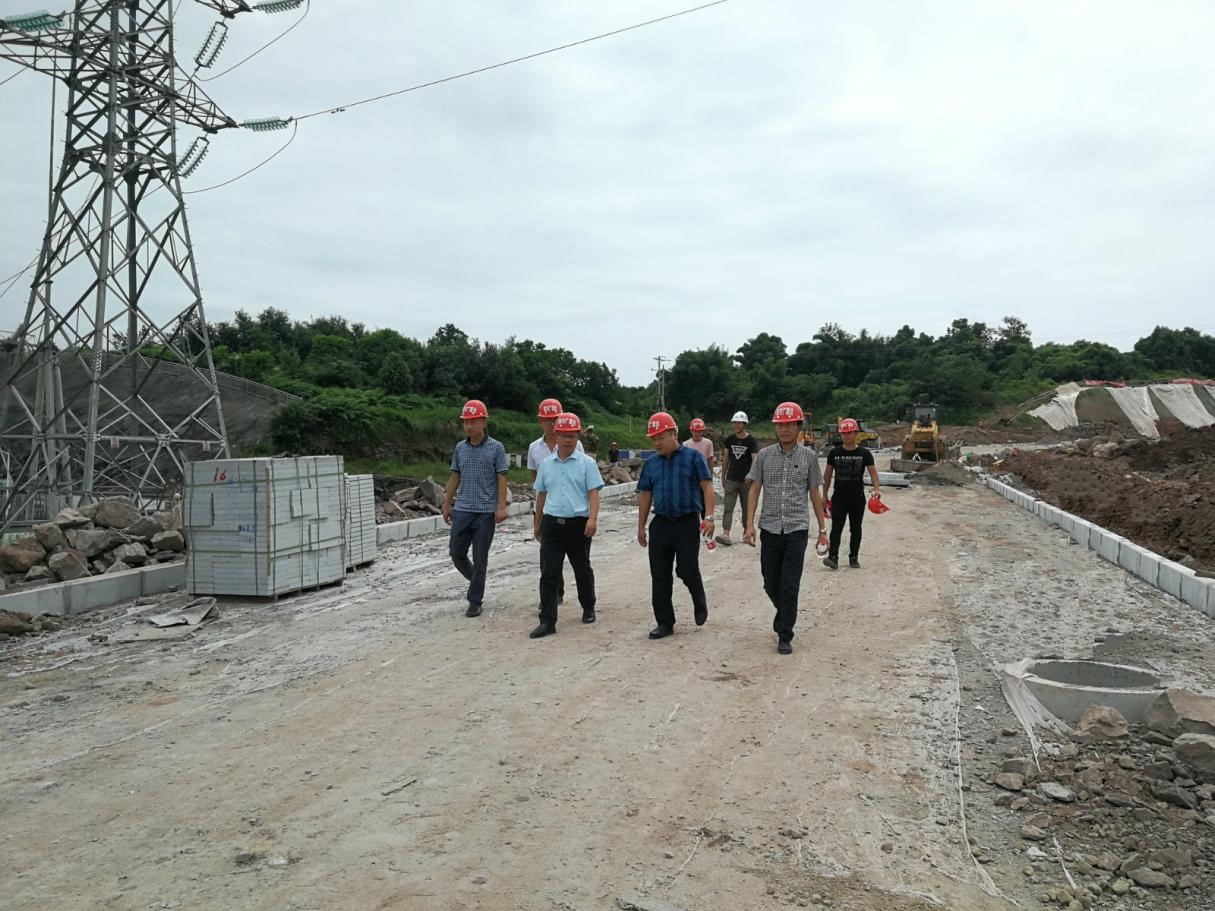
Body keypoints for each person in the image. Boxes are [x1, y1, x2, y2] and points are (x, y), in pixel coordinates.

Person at [743, 401, 828, 655]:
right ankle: (784, 613)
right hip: (770, 528)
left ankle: (785, 634)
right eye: (780, 425)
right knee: (770, 582)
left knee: (790, 585)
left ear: (799, 426)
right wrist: (749, 524)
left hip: (796, 529)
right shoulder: (764, 456)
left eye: (790, 424)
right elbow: (754, 490)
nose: (785, 429)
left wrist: (822, 529)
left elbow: (815, 493)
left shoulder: (809, 457)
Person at [636, 411, 714, 639]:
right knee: (660, 576)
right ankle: (665, 622)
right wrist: (641, 526)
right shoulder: (651, 463)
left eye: (661, 437)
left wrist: (709, 517)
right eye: (653, 439)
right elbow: (645, 494)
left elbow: (707, 487)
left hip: (687, 523)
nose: (657, 443)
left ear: (674, 434)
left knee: (686, 569)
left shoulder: (693, 458)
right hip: (660, 524)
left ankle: (699, 598)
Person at [530, 412, 603, 638]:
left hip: (578, 525)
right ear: (557, 434)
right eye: (564, 435)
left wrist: (592, 519)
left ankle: (588, 606)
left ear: (578, 436)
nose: (568, 440)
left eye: (572, 436)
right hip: (552, 524)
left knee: (581, 568)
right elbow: (541, 494)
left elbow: (593, 493)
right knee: (549, 573)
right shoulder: (546, 465)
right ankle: (547, 621)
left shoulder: (587, 464)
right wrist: (537, 522)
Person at [441, 399, 509, 617]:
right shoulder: (460, 448)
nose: (469, 426)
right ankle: (476, 581)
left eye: (474, 421)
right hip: (462, 509)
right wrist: (446, 503)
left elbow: (501, 478)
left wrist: (501, 506)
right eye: (466, 422)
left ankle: (475, 600)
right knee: (456, 552)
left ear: (484, 422)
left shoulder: (496, 448)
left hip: (485, 512)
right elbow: (455, 476)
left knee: (480, 558)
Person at [528, 397, 584, 605]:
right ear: (540, 421)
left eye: (555, 419)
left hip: (572, 510)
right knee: (548, 557)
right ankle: (552, 595)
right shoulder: (534, 448)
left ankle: (586, 601)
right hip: (546, 509)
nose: (552, 423)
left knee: (579, 560)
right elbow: (537, 481)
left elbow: (582, 474)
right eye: (547, 419)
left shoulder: (576, 445)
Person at [821, 417, 881, 570]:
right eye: (844, 433)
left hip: (857, 498)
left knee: (856, 528)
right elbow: (827, 475)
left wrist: (876, 488)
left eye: (850, 433)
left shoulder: (865, 453)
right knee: (836, 527)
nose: (847, 436)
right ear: (840, 434)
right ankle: (833, 557)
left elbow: (873, 473)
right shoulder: (834, 453)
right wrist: (824, 494)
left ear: (856, 433)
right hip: (839, 498)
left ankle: (854, 557)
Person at [716, 410, 758, 546]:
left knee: (747, 508)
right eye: (734, 423)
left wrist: (751, 475)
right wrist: (723, 476)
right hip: (731, 479)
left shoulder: (751, 441)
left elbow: (755, 459)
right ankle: (726, 534)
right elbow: (725, 459)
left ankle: (746, 533)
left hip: (747, 481)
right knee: (728, 507)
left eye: (739, 423)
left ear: (744, 424)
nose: (736, 425)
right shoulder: (730, 440)